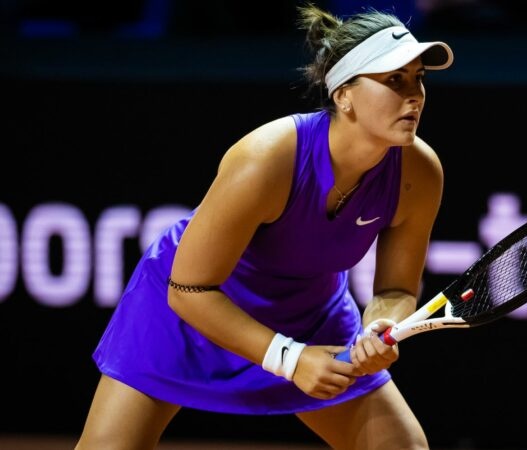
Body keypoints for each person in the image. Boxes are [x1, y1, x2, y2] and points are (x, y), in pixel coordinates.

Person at [75, 3, 454, 449]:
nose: (414, 95)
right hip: (191, 312)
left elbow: (396, 291)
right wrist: (288, 358)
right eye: (394, 80)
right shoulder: (266, 159)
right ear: (343, 95)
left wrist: (379, 328)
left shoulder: (419, 172)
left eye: (418, 78)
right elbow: (189, 289)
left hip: (310, 313)